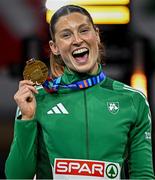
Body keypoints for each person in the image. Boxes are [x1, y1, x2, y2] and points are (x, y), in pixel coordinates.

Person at [5, 4, 154, 179]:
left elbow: (143, 175)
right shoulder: (36, 98)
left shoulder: (133, 100)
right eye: (66, 35)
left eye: (84, 31)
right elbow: (17, 176)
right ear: (55, 47)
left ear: (97, 35)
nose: (77, 40)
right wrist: (27, 119)